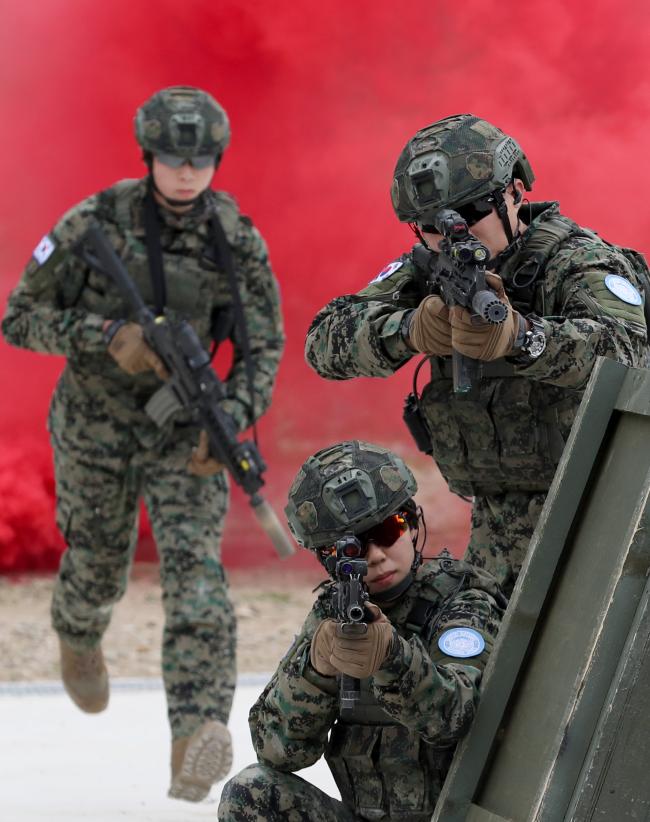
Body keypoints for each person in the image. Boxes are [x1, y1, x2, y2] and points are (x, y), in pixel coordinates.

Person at [2, 85, 285, 801]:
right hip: (94, 425)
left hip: (185, 433)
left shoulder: (235, 239)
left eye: (200, 159)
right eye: (171, 157)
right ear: (148, 156)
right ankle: (77, 629)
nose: (186, 172)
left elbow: (265, 345)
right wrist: (104, 337)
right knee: (98, 565)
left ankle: (195, 735)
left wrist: (229, 422)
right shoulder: (95, 222)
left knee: (198, 580)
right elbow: (19, 316)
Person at [305, 114, 648, 596]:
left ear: (514, 193)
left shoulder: (577, 260)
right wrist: (409, 329)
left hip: (598, 516)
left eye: (471, 214)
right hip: (495, 527)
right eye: (430, 226)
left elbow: (629, 350)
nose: (453, 236)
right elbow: (323, 342)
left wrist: (523, 338)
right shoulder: (423, 270)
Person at [218, 439, 506, 821]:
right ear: (328, 560)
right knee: (249, 793)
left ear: (412, 522)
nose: (376, 555)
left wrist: (392, 657)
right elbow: (277, 750)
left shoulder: (461, 601)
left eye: (388, 530)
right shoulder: (330, 615)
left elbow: (454, 716)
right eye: (350, 550)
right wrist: (315, 672)